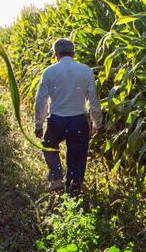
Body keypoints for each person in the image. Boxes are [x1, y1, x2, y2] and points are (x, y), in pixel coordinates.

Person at [34, 38, 101, 195]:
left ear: (56, 54)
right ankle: (74, 187)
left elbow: (41, 100)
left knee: (48, 145)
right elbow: (93, 100)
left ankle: (57, 177)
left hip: (56, 120)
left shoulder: (50, 71)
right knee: (77, 154)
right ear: (73, 53)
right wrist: (97, 122)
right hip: (79, 121)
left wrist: (38, 124)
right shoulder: (86, 71)